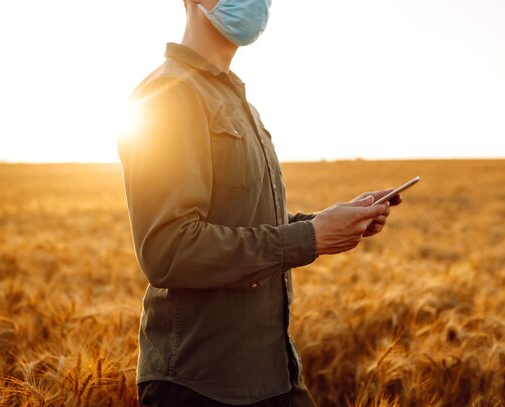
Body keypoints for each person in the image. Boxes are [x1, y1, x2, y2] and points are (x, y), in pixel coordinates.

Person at [117, 0, 402, 405]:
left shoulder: (238, 101)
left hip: (274, 375)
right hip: (201, 385)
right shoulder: (169, 95)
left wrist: (328, 221)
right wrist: (310, 238)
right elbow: (168, 249)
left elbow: (245, 217)